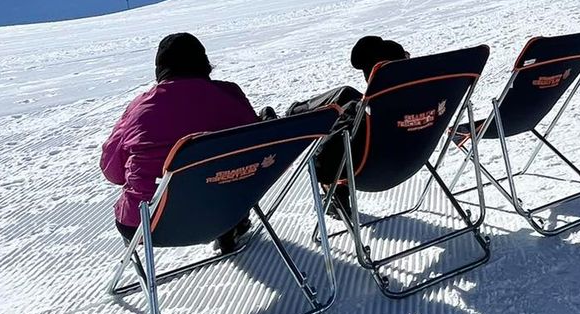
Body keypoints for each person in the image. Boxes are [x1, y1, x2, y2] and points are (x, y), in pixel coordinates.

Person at [100, 33, 258, 253]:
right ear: (204, 64)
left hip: (149, 225)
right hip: (228, 212)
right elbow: (257, 147)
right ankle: (228, 230)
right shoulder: (230, 94)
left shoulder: (140, 108)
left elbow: (112, 172)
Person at [275, 36, 411, 212]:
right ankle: (295, 113)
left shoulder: (360, 113)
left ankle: (294, 118)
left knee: (340, 119)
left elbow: (321, 166)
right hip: (412, 156)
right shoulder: (428, 98)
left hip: (375, 171)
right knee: (345, 94)